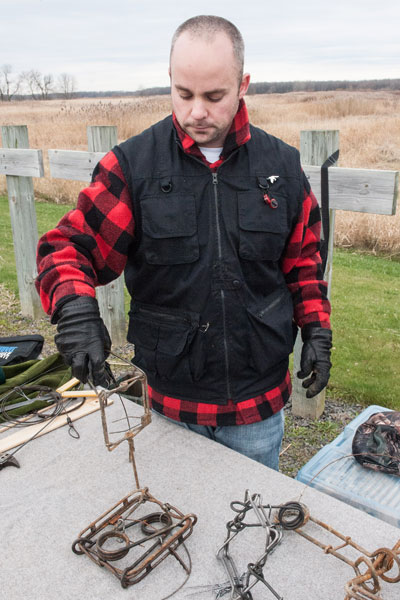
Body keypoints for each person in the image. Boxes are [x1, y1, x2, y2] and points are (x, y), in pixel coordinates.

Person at [36, 15, 332, 471]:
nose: (197, 112)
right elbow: (66, 248)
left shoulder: (282, 166)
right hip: (172, 398)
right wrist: (74, 310)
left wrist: (316, 330)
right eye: (184, 94)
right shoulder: (133, 166)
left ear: (242, 85)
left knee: (254, 521)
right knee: (179, 520)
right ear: (170, 82)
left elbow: (304, 265)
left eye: (214, 96)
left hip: (258, 402)